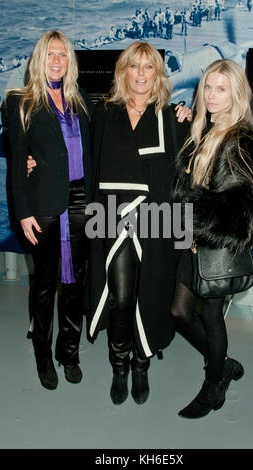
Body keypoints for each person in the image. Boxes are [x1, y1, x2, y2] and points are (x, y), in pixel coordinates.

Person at [171, 59, 253, 419]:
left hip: (215, 247)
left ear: (236, 93)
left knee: (212, 317)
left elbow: (252, 205)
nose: (212, 95)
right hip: (192, 242)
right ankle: (225, 364)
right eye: (208, 87)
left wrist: (195, 215)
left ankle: (214, 386)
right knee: (179, 312)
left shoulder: (242, 138)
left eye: (221, 88)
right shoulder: (204, 128)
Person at [85, 41, 191, 406]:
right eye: (135, 66)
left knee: (151, 294)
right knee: (120, 297)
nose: (142, 74)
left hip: (156, 222)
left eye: (149, 67)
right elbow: (88, 168)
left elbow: (183, 179)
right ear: (124, 71)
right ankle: (119, 367)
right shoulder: (105, 113)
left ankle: (141, 365)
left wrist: (182, 231)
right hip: (111, 218)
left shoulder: (170, 117)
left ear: (158, 73)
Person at [4, 30, 93, 390]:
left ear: (69, 61)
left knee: (75, 284)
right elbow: (16, 162)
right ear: (39, 58)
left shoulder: (81, 99)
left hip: (81, 202)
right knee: (44, 284)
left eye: (63, 54)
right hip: (42, 205)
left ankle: (68, 352)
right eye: (50, 54)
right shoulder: (20, 101)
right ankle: (43, 351)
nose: (57, 60)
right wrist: (23, 212)